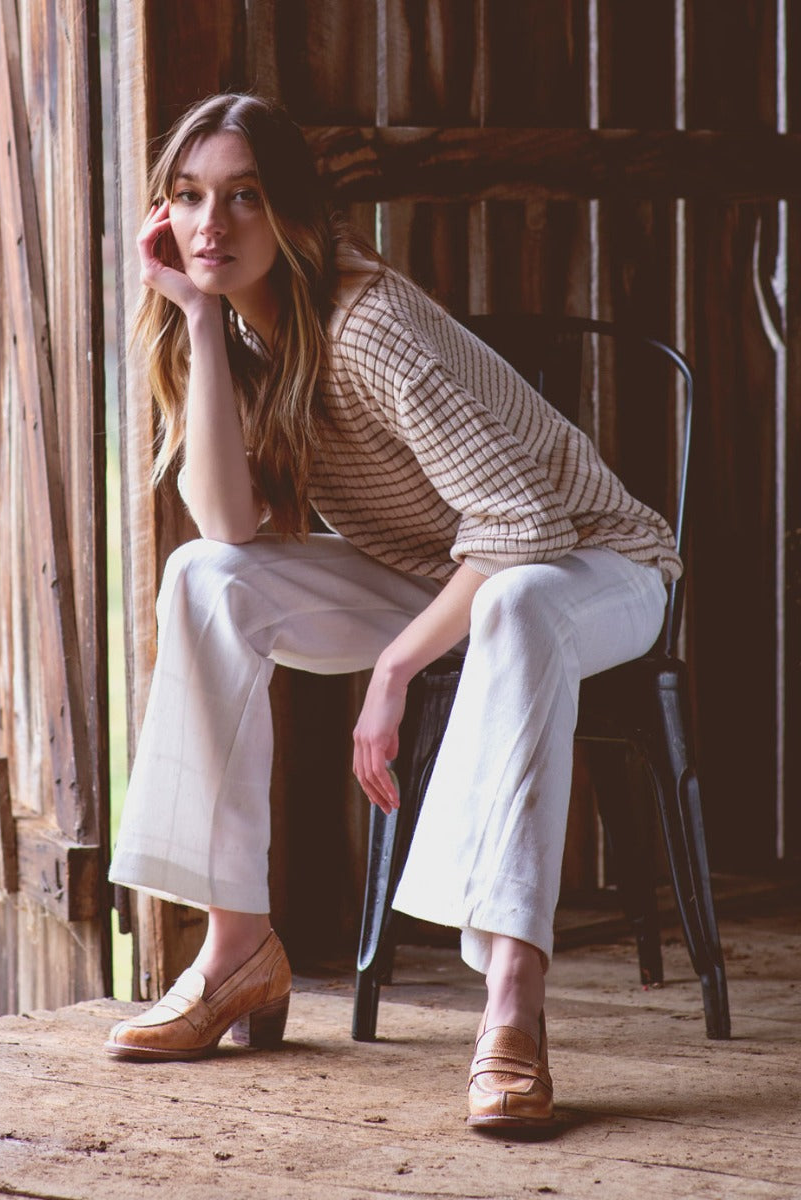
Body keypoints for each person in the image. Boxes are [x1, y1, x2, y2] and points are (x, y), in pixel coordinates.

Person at [105, 93, 679, 1132]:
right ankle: (235, 947)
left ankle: (511, 1009)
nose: (210, 226)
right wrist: (191, 317)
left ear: (295, 214)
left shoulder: (364, 324)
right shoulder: (229, 325)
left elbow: (525, 529)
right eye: (187, 198)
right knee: (203, 577)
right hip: (445, 572)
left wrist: (392, 670)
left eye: (243, 198)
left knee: (516, 607)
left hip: (595, 564)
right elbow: (230, 523)